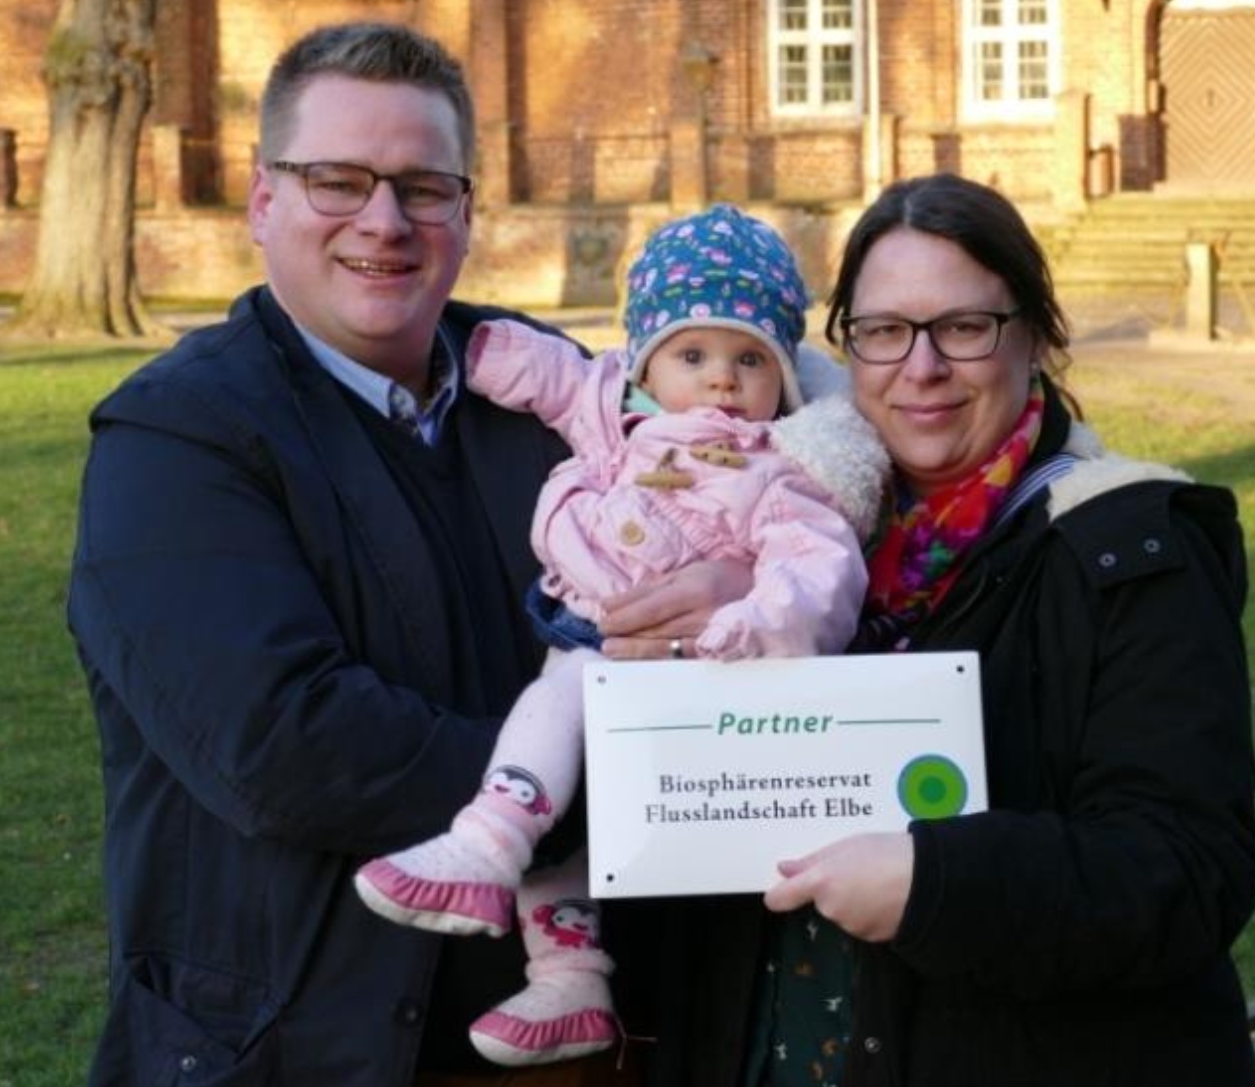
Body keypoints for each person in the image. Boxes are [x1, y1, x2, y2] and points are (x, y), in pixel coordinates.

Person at [66, 22, 737, 1086]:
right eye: (337, 180)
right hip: (290, 1042)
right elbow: (283, 742)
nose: (384, 221)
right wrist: (627, 775)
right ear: (261, 200)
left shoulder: (549, 394)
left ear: (467, 210)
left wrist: (732, 578)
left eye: (424, 187)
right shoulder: (177, 440)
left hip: (564, 1044)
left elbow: (750, 460)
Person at [632, 173, 1255, 1086]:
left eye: (964, 328)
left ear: (1036, 335)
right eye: (884, 331)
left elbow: (1186, 872)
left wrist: (936, 884)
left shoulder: (1129, 548)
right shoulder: (785, 541)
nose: (920, 369)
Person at [351, 204, 887, 1069]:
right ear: (646, 363)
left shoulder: (779, 470)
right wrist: (493, 354)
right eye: (692, 355)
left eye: (749, 359)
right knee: (560, 740)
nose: (720, 380)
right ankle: (565, 974)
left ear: (782, 376)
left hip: (698, 680)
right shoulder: (616, 415)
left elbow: (820, 577)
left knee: (572, 734)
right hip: (591, 638)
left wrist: (746, 626)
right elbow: (563, 379)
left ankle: (491, 839)